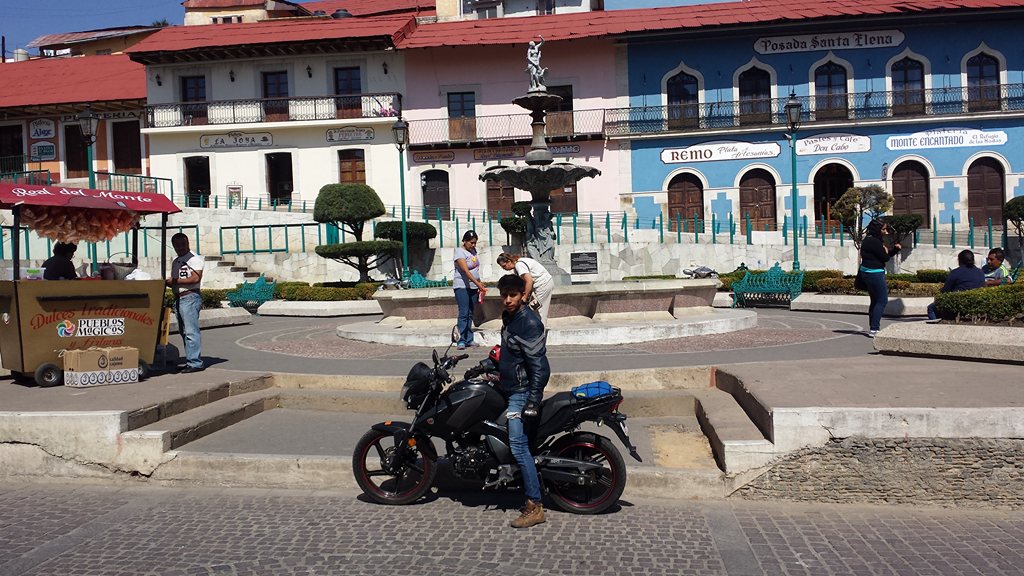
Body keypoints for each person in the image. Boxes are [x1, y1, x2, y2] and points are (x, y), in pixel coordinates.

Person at [496, 273, 550, 529]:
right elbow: (511, 354)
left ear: (522, 295)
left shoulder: (528, 322)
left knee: (518, 446)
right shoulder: (510, 317)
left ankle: (535, 505)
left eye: (513, 295)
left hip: (521, 391)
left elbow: (540, 367)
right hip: (508, 386)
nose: (508, 300)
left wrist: (533, 400)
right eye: (504, 295)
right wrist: (486, 365)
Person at [166, 233, 205, 373]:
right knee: (184, 332)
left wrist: (175, 281)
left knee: (191, 331)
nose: (180, 247)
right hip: (179, 298)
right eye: (177, 245)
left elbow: (195, 278)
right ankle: (190, 360)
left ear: (188, 243)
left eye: (183, 244)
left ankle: (195, 363)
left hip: (190, 297)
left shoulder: (194, 259)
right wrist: (170, 283)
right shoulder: (176, 261)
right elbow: (175, 281)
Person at [859, 220, 901, 337]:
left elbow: (882, 256)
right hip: (875, 273)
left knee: (875, 300)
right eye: (883, 229)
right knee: (882, 300)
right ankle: (874, 329)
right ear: (877, 229)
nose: (885, 232)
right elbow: (885, 257)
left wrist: (895, 250)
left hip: (867, 272)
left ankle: (873, 327)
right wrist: (886, 251)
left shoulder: (867, 240)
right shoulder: (874, 242)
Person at [496, 252, 553, 325]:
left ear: (509, 261)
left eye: (504, 266)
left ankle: (539, 329)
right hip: (543, 284)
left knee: (538, 310)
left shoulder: (519, 265)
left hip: (542, 285)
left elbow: (529, 280)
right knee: (536, 309)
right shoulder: (519, 264)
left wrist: (524, 297)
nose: (504, 268)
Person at [927, 250, 986, 320]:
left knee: (931, 308)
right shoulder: (980, 272)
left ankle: (936, 323)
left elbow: (946, 290)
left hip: (958, 303)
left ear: (959, 260)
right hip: (977, 303)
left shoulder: (955, 272)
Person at [453, 230, 487, 350]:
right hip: (462, 286)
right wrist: (478, 284)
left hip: (473, 287)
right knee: (464, 312)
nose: (473, 245)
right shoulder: (459, 252)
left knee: (470, 312)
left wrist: (479, 282)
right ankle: (461, 340)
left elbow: (476, 269)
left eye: (475, 243)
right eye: (471, 242)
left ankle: (469, 338)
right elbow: (466, 271)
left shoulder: (473, 252)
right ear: (464, 241)